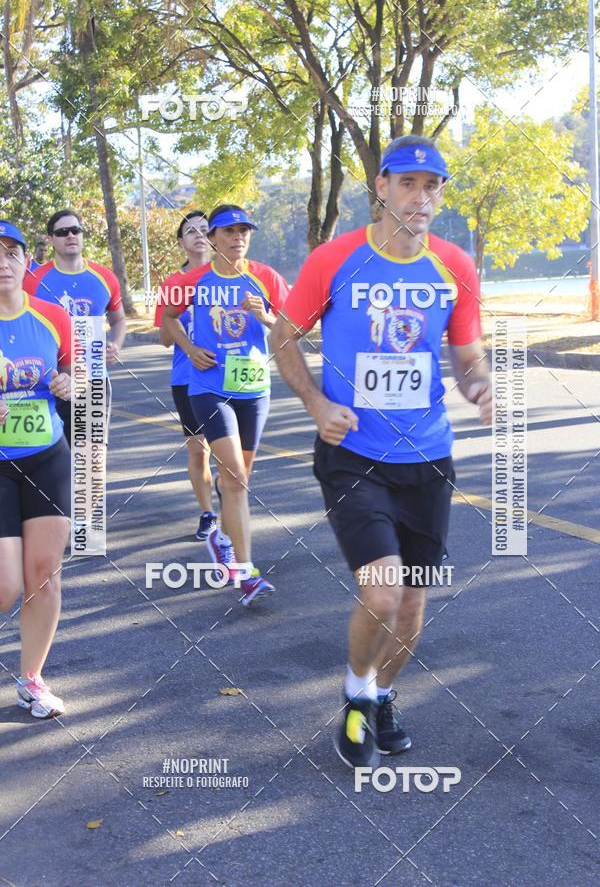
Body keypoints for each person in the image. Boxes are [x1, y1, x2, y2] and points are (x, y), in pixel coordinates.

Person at [270, 135, 492, 768]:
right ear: (382, 189)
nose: (421, 197)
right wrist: (316, 404)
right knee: (383, 591)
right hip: (353, 454)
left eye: (432, 186)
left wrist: (477, 381)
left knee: (415, 600)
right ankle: (355, 697)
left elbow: (466, 347)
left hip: (427, 456)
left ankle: (384, 694)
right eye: (408, 183)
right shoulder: (334, 259)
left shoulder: (454, 265)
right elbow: (284, 336)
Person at [162, 204, 289, 605]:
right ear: (212, 238)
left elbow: (297, 325)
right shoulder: (193, 280)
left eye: (244, 231)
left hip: (253, 389)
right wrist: (189, 347)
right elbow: (167, 318)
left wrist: (267, 317)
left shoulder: (266, 276)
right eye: (228, 231)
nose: (237, 237)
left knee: (238, 480)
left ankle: (220, 537)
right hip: (208, 388)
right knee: (234, 478)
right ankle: (246, 573)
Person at [0, 221, 72, 718]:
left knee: (43, 576)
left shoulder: (52, 317)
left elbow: (75, 370)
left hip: (47, 457)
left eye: (12, 253)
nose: (3, 262)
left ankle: (31, 679)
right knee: (5, 583)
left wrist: (68, 381)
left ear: (27, 263)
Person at [23, 210, 126, 445]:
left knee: (90, 463)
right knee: (54, 460)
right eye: (62, 232)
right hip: (49, 382)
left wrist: (115, 345)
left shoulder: (104, 277)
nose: (70, 236)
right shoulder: (33, 280)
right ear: (50, 239)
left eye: (75, 230)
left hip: (93, 379)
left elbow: (118, 319)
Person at [154, 211, 216, 541]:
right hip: (188, 377)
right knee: (199, 449)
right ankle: (208, 513)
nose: (199, 235)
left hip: (229, 375)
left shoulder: (230, 275)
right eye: (191, 231)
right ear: (181, 241)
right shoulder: (173, 284)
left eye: (205, 230)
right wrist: (184, 318)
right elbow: (165, 339)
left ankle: (230, 496)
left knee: (231, 449)